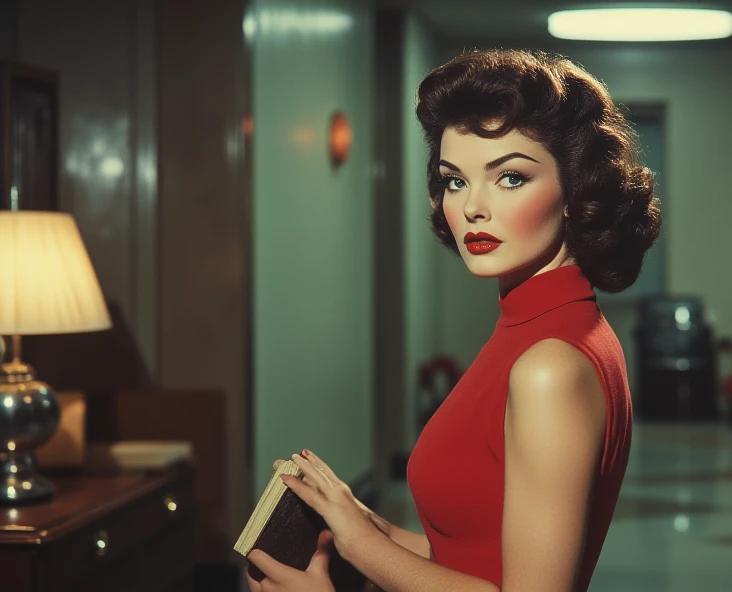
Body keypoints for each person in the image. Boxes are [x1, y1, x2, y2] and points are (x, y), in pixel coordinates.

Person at [246, 48, 661, 592]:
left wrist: (361, 548)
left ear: (574, 192)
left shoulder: (550, 365)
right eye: (455, 180)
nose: (472, 208)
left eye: (510, 178)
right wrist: (360, 522)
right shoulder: (544, 329)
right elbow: (466, 554)